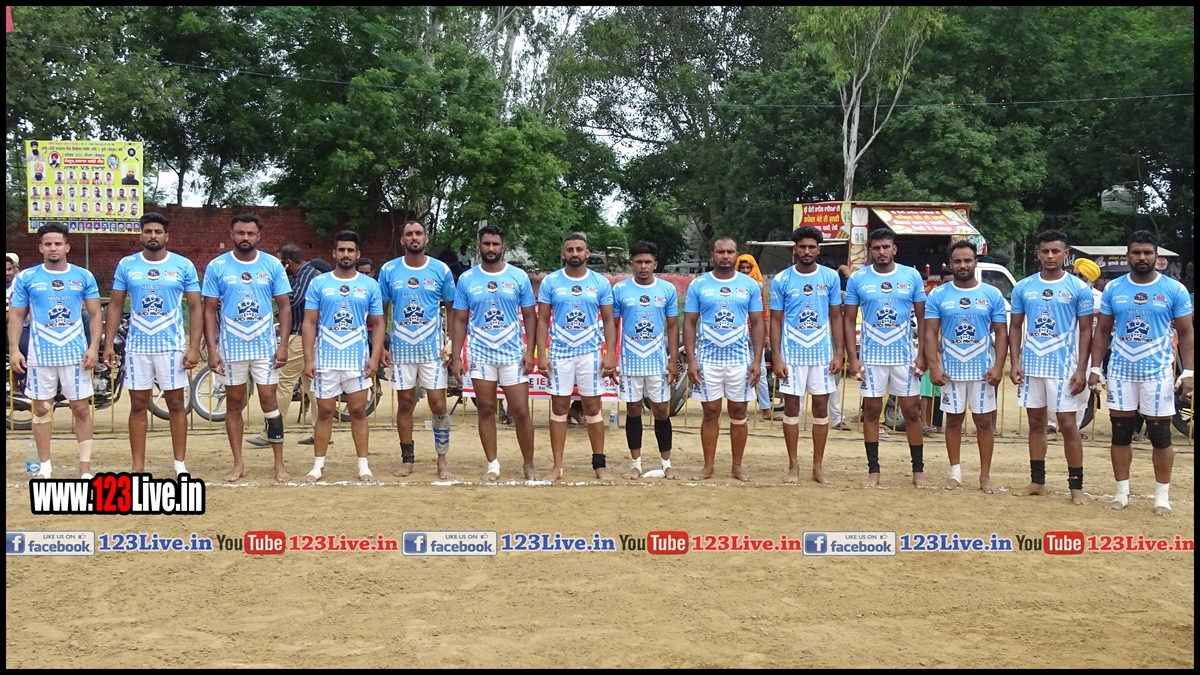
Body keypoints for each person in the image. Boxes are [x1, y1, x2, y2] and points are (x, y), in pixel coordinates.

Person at [1088, 230, 1193, 516]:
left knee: (1160, 435)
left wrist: (1189, 371)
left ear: (1157, 257)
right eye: (1136, 252)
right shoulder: (1114, 288)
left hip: (1157, 373)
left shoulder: (1174, 289)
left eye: (1147, 252)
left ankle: (1162, 497)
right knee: (1120, 434)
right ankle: (1121, 493)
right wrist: (1095, 367)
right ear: (1128, 256)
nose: (1142, 257)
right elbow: (1102, 332)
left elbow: (1186, 333)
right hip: (1121, 371)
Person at [102, 213, 202, 476]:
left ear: (167, 236)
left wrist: (193, 347)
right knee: (138, 405)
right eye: (148, 231)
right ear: (141, 235)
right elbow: (115, 305)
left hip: (171, 347)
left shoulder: (183, 265)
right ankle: (138, 466)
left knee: (176, 404)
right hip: (138, 347)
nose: (153, 235)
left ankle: (180, 464)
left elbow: (195, 307)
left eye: (158, 231)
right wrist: (109, 343)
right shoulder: (127, 264)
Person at [201, 214, 293, 482]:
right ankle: (238, 463)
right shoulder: (217, 266)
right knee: (234, 403)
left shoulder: (272, 265)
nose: (245, 237)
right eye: (240, 233)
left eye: (250, 234)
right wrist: (213, 349)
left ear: (258, 236)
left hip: (265, 347)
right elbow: (209, 310)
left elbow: (285, 307)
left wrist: (283, 345)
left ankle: (279, 464)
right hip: (231, 347)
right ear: (232, 234)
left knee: (269, 401)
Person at [7, 223, 102, 479]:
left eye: (57, 243)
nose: (53, 248)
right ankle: (45, 467)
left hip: (75, 354)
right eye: (48, 244)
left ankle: (85, 468)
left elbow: (95, 313)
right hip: (40, 354)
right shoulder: (27, 277)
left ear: (67, 247)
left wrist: (94, 347)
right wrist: (15, 349)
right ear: (40, 248)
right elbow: (16, 315)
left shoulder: (83, 276)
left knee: (80, 409)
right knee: (40, 409)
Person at [1009, 230, 1094, 505]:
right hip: (1032, 366)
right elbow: (1015, 326)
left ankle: (1076, 487)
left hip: (1064, 368)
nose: (1050, 256)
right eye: (1045, 251)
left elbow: (1086, 330)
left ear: (1065, 254)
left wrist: (1081, 369)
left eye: (1056, 251)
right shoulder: (1024, 287)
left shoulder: (1079, 289)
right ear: (1038, 254)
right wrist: (1015, 362)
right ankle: (1037, 481)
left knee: (1068, 425)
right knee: (1035, 424)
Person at [448, 225, 539, 480]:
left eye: (495, 244)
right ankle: (492, 464)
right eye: (486, 244)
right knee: (486, 409)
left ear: (503, 247)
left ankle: (528, 464)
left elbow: (530, 316)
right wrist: (456, 355)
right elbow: (460, 319)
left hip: (512, 353)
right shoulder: (467, 279)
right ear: (479, 246)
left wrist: (530, 351)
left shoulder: (518, 276)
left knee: (520, 411)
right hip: (480, 353)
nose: (491, 248)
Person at [843, 227, 929, 488]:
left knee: (911, 412)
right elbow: (848, 320)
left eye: (886, 247)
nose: (881, 252)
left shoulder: (911, 276)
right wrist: (853, 358)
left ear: (894, 249)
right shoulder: (858, 279)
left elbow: (924, 317)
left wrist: (923, 354)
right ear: (870, 250)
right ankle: (874, 470)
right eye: (876, 247)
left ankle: (918, 470)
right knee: (871, 412)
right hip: (871, 359)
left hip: (904, 358)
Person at [301, 231, 386, 482]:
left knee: (358, 411)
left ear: (357, 254)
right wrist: (308, 359)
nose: (346, 254)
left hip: (357, 360)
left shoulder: (370, 285)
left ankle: (363, 466)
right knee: (325, 411)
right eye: (341, 250)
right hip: (326, 359)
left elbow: (379, 323)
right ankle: (317, 466)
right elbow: (309, 322)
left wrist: (374, 357)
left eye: (350, 250)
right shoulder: (319, 283)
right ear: (334, 253)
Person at [924, 241, 1007, 493]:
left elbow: (1001, 332)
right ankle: (955, 473)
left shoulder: (992, 294)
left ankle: (985, 476)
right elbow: (930, 333)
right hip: (951, 371)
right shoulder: (938, 295)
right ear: (951, 263)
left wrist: (999, 366)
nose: (963, 265)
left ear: (975, 262)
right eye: (958, 261)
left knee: (984, 423)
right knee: (953, 421)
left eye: (967, 260)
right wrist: (934, 367)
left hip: (982, 372)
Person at [536, 232, 618, 482]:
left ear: (587, 253)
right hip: (560, 352)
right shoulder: (551, 281)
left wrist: (610, 354)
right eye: (570, 249)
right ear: (563, 253)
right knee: (559, 408)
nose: (574, 253)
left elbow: (609, 321)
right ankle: (557, 467)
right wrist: (542, 354)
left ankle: (599, 465)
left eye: (579, 249)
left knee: (592, 408)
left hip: (590, 353)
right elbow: (542, 320)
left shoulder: (600, 282)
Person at [378, 221, 456, 479]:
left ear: (426, 238)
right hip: (401, 351)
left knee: (438, 404)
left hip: (433, 351)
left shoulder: (440, 269)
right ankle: (407, 459)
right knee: (405, 404)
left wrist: (451, 343)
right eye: (409, 234)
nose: (414, 237)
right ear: (402, 239)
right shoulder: (389, 270)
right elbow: (381, 311)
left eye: (419, 233)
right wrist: (382, 345)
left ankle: (442, 460)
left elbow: (453, 309)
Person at [684, 236, 765, 481]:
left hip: (740, 360)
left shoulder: (750, 285)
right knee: (710, 412)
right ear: (713, 255)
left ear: (736, 255)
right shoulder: (699, 284)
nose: (726, 256)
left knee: (739, 412)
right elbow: (689, 322)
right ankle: (708, 466)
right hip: (707, 360)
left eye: (730, 252)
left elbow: (758, 322)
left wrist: (757, 360)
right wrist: (691, 360)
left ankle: (737, 465)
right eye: (721, 252)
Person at [769, 226, 844, 483]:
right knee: (792, 408)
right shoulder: (782, 279)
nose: (807, 251)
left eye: (812, 247)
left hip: (822, 354)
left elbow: (836, 317)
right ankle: (793, 466)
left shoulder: (830, 277)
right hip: (792, 354)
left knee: (821, 408)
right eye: (802, 247)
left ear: (819, 249)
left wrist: (839, 353)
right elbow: (775, 320)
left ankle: (818, 467)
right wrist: (777, 357)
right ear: (795, 249)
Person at [247, 244, 331, 447]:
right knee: (312, 387)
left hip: (302, 337)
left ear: (287, 262)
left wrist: (277, 285)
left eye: (279, 263)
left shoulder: (306, 275)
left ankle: (271, 432)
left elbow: (293, 300)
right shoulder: (306, 274)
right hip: (307, 336)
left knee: (283, 383)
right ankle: (321, 432)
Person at [612, 241, 680, 479]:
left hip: (657, 361)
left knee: (661, 410)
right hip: (629, 361)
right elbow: (613, 325)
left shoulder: (667, 289)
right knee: (633, 410)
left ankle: (666, 463)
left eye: (647, 262)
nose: (643, 266)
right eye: (638, 262)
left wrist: (673, 361)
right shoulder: (620, 289)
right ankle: (636, 463)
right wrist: (611, 357)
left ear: (655, 264)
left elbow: (673, 326)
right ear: (632, 264)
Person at [737, 253, 774, 421]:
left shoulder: (758, 287)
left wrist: (767, 336)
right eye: (742, 268)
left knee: (761, 371)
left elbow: (764, 313)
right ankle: (741, 410)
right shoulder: (733, 285)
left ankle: (766, 409)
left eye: (748, 268)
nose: (745, 271)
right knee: (740, 372)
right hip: (738, 334)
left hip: (755, 334)